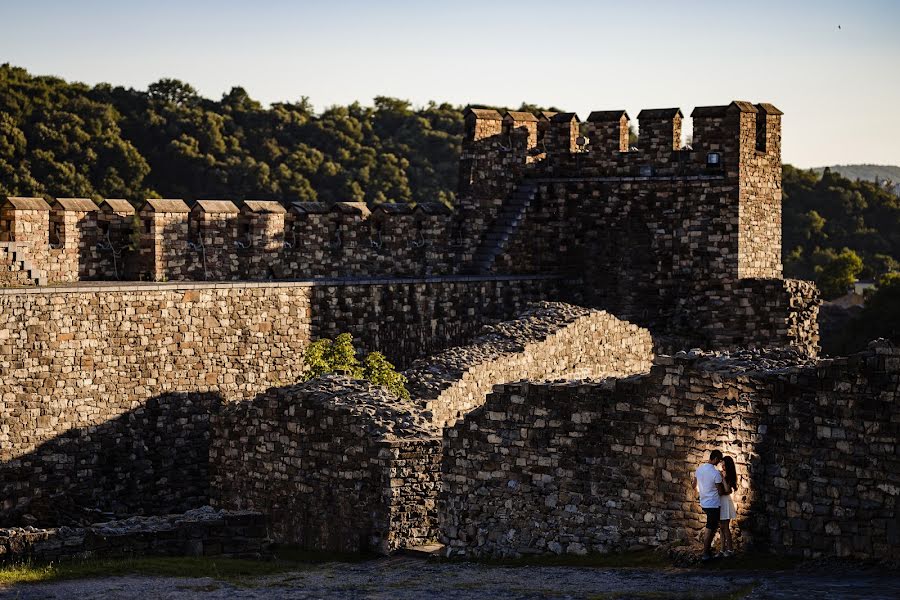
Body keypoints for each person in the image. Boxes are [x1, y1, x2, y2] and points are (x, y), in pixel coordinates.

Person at [692, 449, 725, 561]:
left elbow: (693, 485)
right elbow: (720, 492)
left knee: (712, 526)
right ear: (715, 459)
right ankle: (705, 553)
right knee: (710, 527)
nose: (719, 463)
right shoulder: (715, 473)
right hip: (713, 504)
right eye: (719, 461)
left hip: (704, 502)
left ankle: (708, 551)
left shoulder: (699, 469)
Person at [718, 456, 738, 557]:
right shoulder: (722, 473)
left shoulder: (729, 476)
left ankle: (730, 549)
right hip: (720, 501)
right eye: (722, 464)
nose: (723, 466)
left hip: (725, 502)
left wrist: (722, 479)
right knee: (721, 527)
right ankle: (722, 550)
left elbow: (727, 490)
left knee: (725, 527)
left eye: (724, 464)